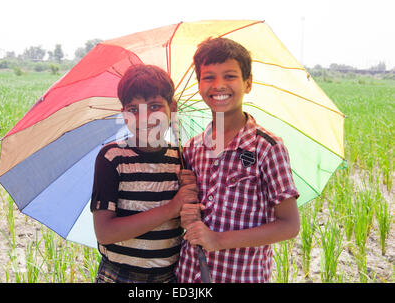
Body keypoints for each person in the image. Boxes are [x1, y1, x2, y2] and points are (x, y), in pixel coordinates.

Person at [176, 38, 300, 283]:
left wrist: (218, 240)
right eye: (208, 77)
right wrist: (186, 211)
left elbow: (289, 225)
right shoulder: (191, 149)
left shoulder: (266, 147)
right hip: (188, 275)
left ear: (248, 83)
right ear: (199, 85)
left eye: (230, 76)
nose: (219, 85)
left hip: (241, 276)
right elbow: (191, 212)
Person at [90, 64, 198, 283]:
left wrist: (189, 203)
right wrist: (172, 208)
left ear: (173, 108)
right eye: (133, 109)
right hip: (118, 275)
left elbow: (185, 224)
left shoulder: (182, 159)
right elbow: (105, 233)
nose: (144, 118)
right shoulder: (112, 158)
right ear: (123, 114)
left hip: (168, 275)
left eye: (155, 106)